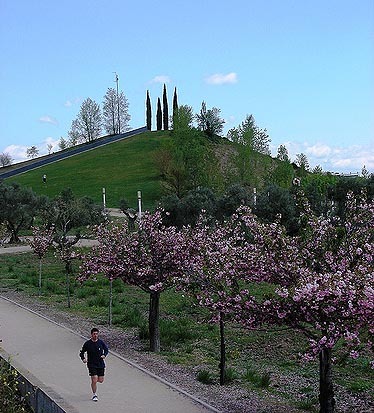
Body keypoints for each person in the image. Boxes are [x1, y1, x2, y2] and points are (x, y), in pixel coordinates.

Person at [79, 328, 109, 402]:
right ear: (91, 334)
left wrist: (104, 355)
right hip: (91, 364)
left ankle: (94, 382)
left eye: (96, 334)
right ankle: (94, 394)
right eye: (94, 334)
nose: (95, 335)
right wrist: (83, 359)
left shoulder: (101, 342)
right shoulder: (87, 344)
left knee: (100, 380)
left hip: (100, 364)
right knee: (94, 379)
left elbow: (106, 350)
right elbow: (82, 352)